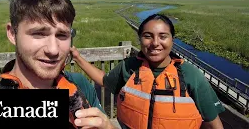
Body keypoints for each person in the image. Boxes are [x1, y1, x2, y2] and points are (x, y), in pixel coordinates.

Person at [0, 0, 116, 129]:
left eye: (62, 35)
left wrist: (109, 126)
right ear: (12, 34)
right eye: (38, 33)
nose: (53, 50)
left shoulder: (80, 85)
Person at [70, 14, 225, 129]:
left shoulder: (190, 75)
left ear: (172, 39)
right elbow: (105, 81)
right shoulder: (130, 67)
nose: (155, 43)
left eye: (163, 36)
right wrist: (77, 58)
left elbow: (214, 123)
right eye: (148, 36)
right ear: (140, 39)